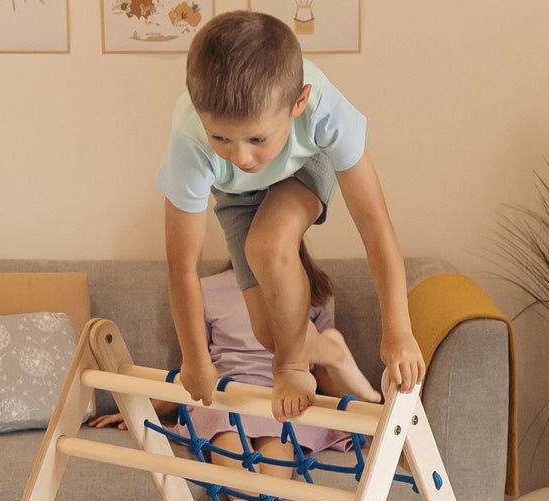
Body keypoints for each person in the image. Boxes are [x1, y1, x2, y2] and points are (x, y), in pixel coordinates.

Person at [156, 9, 425, 423]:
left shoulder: (324, 111)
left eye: (257, 138)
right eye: (220, 137)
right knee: (271, 333)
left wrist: (398, 329)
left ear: (298, 101)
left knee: (268, 244)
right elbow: (182, 266)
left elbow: (374, 223)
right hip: (236, 195)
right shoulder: (190, 145)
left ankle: (294, 367)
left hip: (305, 162)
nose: (241, 156)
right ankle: (328, 349)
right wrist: (194, 360)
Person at [88, 253, 376, 501]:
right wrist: (142, 407)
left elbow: (323, 370)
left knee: (280, 434)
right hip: (225, 392)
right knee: (225, 428)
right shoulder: (207, 288)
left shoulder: (313, 288)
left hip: (284, 391)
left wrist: (358, 410)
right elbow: (195, 369)